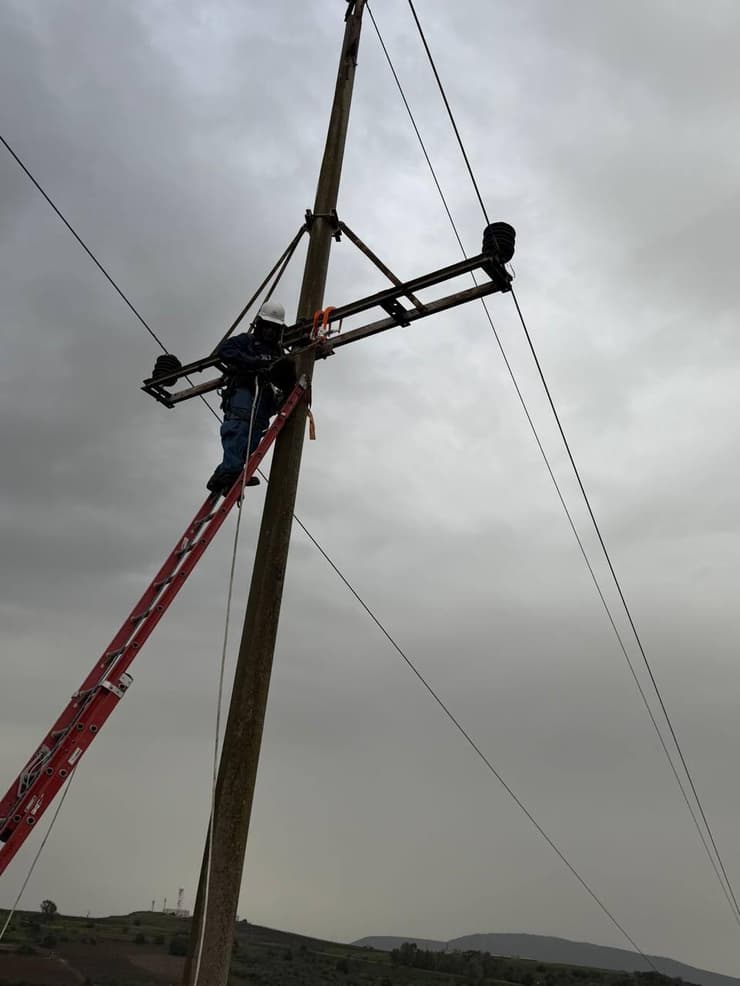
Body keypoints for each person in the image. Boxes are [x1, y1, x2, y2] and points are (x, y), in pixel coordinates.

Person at [205, 300, 295, 496]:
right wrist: (252, 362)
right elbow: (225, 351)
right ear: (260, 325)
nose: (270, 332)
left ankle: (224, 474)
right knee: (238, 430)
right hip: (244, 393)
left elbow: (285, 376)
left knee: (252, 440)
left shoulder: (277, 353)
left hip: (263, 400)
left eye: (274, 328)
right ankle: (230, 471)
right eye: (267, 327)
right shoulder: (245, 341)